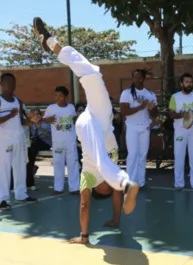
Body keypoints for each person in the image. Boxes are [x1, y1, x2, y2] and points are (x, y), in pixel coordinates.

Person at [33, 17, 139, 244]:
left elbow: (83, 204)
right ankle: (51, 43)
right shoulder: (109, 180)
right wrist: (116, 220)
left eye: (108, 190)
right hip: (102, 119)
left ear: (100, 190)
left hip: (87, 126)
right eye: (112, 189)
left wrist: (84, 237)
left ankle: (127, 182)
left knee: (99, 159)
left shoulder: (88, 178)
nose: (110, 190)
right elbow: (116, 200)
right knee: (92, 74)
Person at [0, 72, 37, 210]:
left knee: (20, 167)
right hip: (4, 139)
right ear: (2, 84)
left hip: (19, 138)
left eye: (14, 83)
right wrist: (10, 115)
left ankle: (21, 194)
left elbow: (22, 121)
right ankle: (2, 198)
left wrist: (31, 120)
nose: (12, 86)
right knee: (3, 169)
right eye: (9, 83)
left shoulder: (18, 101)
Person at [119, 69, 158, 188]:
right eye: (135, 77)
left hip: (145, 128)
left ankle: (140, 182)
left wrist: (151, 108)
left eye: (139, 77)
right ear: (132, 79)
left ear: (144, 78)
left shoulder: (150, 94)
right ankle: (130, 183)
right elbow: (124, 111)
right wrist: (141, 107)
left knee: (142, 155)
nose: (137, 79)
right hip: (132, 127)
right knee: (133, 154)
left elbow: (155, 114)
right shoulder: (126, 93)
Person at [168, 73, 193, 189]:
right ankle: (179, 183)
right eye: (187, 82)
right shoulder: (175, 97)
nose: (189, 84)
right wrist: (182, 115)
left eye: (190, 82)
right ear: (181, 84)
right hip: (180, 130)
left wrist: (191, 114)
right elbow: (171, 113)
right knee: (179, 156)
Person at [43, 86, 80, 194]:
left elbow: (74, 119)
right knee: (58, 164)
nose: (57, 98)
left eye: (60, 95)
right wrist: (48, 120)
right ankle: (58, 188)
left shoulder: (71, 108)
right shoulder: (51, 108)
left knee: (72, 164)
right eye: (56, 95)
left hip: (70, 140)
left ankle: (75, 188)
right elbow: (44, 120)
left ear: (65, 97)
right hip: (58, 141)